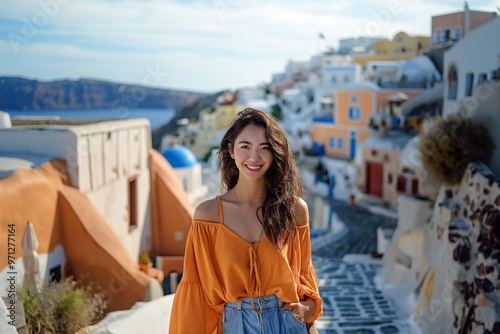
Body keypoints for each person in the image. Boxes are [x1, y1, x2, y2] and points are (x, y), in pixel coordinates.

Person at [169, 108, 323, 333]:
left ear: (274, 153)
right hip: (235, 324)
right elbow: (197, 289)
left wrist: (308, 309)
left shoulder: (294, 210)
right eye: (245, 147)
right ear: (231, 150)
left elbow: (303, 274)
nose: (254, 157)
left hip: (287, 323)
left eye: (264, 148)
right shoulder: (208, 215)